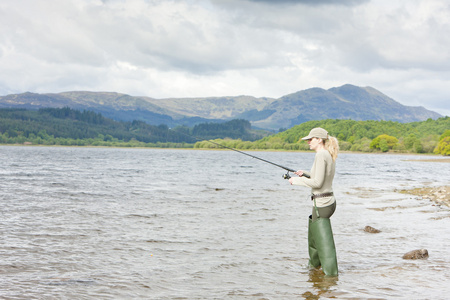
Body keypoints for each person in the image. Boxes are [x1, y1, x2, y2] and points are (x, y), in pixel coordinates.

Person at [288, 127, 339, 276]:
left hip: (322, 204)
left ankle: (331, 275)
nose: (308, 142)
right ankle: (314, 269)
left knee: (323, 243)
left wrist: (296, 181)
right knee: (315, 239)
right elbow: (320, 177)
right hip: (326, 201)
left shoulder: (321, 155)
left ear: (319, 140)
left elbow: (317, 183)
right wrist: (305, 173)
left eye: (311, 139)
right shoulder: (326, 154)